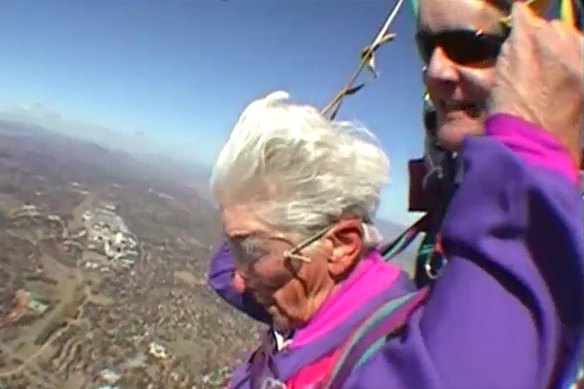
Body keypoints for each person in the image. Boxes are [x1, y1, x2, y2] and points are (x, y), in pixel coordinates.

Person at [207, 2, 583, 388]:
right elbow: (224, 274)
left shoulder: (377, 329)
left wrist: (529, 151)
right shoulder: (304, 292)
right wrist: (287, 176)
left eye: (468, 46)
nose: (434, 70)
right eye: (427, 47)